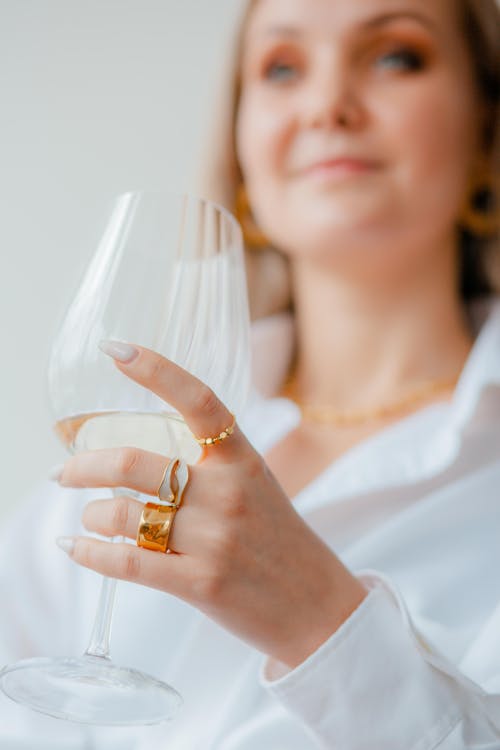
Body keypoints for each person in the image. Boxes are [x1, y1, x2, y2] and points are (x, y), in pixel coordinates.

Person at [1, 0, 499, 747]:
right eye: (282, 68)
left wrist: (321, 621)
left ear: (488, 137)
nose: (327, 105)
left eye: (397, 56)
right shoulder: (132, 447)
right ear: (244, 159)